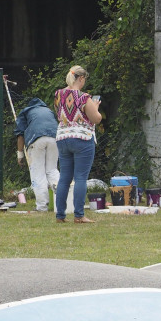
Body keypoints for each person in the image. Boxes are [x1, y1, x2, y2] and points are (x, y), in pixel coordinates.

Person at [54, 65, 102, 223]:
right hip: (82, 139)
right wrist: (95, 107)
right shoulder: (84, 97)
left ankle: (60, 216)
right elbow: (96, 119)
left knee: (64, 178)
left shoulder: (58, 94)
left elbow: (59, 115)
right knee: (80, 178)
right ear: (81, 78)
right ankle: (79, 215)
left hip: (62, 138)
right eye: (84, 80)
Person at [15, 98, 60, 212]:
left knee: (38, 173)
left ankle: (41, 207)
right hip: (55, 139)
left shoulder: (26, 111)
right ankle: (62, 202)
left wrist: (20, 155)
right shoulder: (48, 111)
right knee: (52, 170)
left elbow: (20, 135)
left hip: (37, 139)